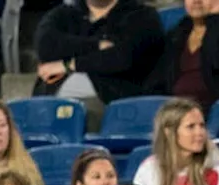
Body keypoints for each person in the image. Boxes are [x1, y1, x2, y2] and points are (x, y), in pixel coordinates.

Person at [33, 0, 165, 106]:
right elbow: (45, 46)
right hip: (49, 100)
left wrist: (68, 65)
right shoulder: (65, 13)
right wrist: (97, 45)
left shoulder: (143, 16)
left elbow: (121, 57)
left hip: (113, 102)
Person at [150, 0, 219, 111]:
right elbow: (159, 78)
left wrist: (215, 19)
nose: (196, 1)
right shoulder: (178, 33)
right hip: (178, 112)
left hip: (218, 111)